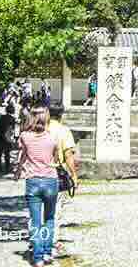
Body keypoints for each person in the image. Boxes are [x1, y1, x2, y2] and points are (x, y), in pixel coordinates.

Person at [15, 105, 59, 267]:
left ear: (31, 118)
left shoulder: (25, 136)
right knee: (49, 218)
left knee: (35, 221)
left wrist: (18, 171)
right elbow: (54, 158)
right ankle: (47, 252)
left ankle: (38, 256)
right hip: (50, 180)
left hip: (32, 180)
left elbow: (23, 156)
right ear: (47, 118)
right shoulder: (53, 137)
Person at [48, 105, 78, 259]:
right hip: (57, 173)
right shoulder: (63, 130)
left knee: (39, 210)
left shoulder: (41, 128)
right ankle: (52, 242)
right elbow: (68, 155)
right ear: (61, 115)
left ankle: (39, 240)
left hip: (39, 173)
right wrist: (74, 175)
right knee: (56, 210)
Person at [0, 104, 17, 173]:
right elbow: (11, 129)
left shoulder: (2, 117)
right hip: (7, 137)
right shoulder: (12, 119)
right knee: (7, 153)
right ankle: (7, 167)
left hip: (0, 136)